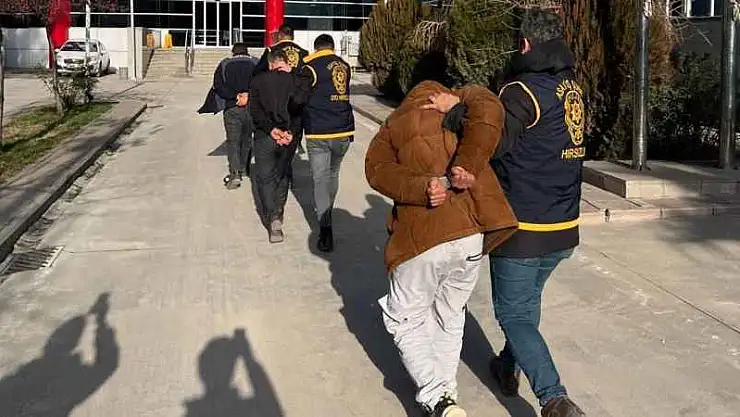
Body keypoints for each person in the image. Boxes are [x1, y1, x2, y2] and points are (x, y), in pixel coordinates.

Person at [424, 9, 587, 417]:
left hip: (524, 225)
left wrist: (454, 108)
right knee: (527, 305)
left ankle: (554, 399)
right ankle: (507, 366)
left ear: (526, 43)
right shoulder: (570, 87)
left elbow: (490, 139)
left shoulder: (521, 90)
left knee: (514, 313)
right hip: (564, 224)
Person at [365, 80, 518, 417]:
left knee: (404, 317)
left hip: (421, 238)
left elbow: (376, 171)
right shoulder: (460, 100)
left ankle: (437, 397)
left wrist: (422, 188)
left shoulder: (394, 123)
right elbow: (490, 110)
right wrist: (468, 164)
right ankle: (447, 393)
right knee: (450, 315)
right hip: (470, 234)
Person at [298, 34, 355, 252]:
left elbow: (299, 98)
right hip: (343, 130)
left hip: (319, 131)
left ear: (316, 48)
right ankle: (328, 210)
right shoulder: (345, 66)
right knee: (333, 174)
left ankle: (325, 228)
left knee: (320, 179)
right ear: (332, 47)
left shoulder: (310, 67)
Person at [249, 49, 304, 243]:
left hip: (265, 135)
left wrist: (271, 129)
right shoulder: (295, 81)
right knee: (282, 174)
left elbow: (255, 111)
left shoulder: (258, 81)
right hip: (288, 136)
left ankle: (272, 217)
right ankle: (278, 211)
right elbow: (300, 108)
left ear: (270, 63)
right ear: (286, 63)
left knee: (264, 178)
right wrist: (290, 132)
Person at [198, 43, 256, 189]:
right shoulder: (256, 63)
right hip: (252, 107)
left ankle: (235, 173)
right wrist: (248, 96)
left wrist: (235, 96)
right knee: (247, 139)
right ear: (247, 51)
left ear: (233, 52)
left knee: (233, 141)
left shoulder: (224, 64)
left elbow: (218, 86)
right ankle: (245, 168)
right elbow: (262, 84)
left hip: (231, 107)